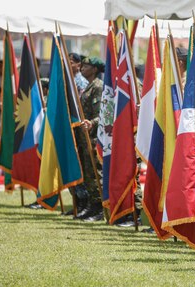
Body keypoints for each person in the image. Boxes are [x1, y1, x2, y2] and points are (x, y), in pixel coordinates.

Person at [73, 56, 105, 222]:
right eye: (83, 65)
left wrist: (91, 123)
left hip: (93, 138)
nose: (82, 68)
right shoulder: (87, 87)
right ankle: (91, 206)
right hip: (83, 138)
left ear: (95, 69)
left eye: (86, 66)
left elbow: (103, 114)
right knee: (87, 173)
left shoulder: (98, 87)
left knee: (95, 173)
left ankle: (99, 208)